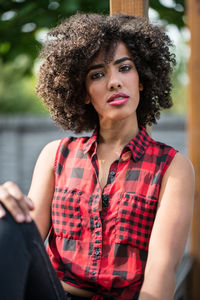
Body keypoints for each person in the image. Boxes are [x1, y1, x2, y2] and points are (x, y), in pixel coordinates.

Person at [0, 13, 194, 300]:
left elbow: (161, 272)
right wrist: (7, 208)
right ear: (85, 94)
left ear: (142, 79)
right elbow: (26, 241)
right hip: (54, 293)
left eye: (125, 68)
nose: (114, 82)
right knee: (7, 222)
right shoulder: (56, 155)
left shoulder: (171, 167)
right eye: (98, 74)